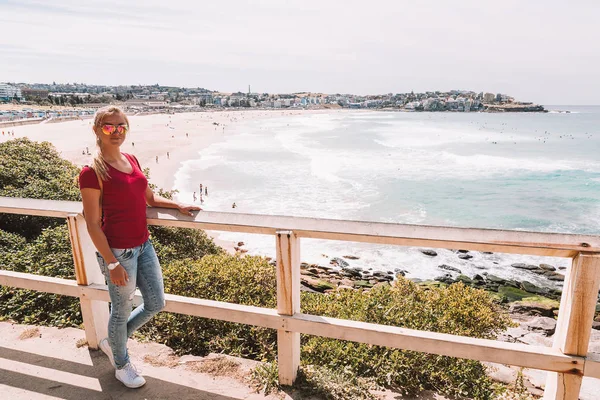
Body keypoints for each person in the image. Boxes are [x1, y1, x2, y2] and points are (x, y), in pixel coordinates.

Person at [79, 106, 200, 389]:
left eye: (121, 126)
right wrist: (111, 262)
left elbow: (150, 198)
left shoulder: (131, 159)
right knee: (120, 311)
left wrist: (178, 205)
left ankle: (114, 341)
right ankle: (122, 364)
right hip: (118, 252)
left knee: (156, 302)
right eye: (109, 127)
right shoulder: (91, 172)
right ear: (97, 130)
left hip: (143, 245)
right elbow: (93, 224)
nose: (116, 132)